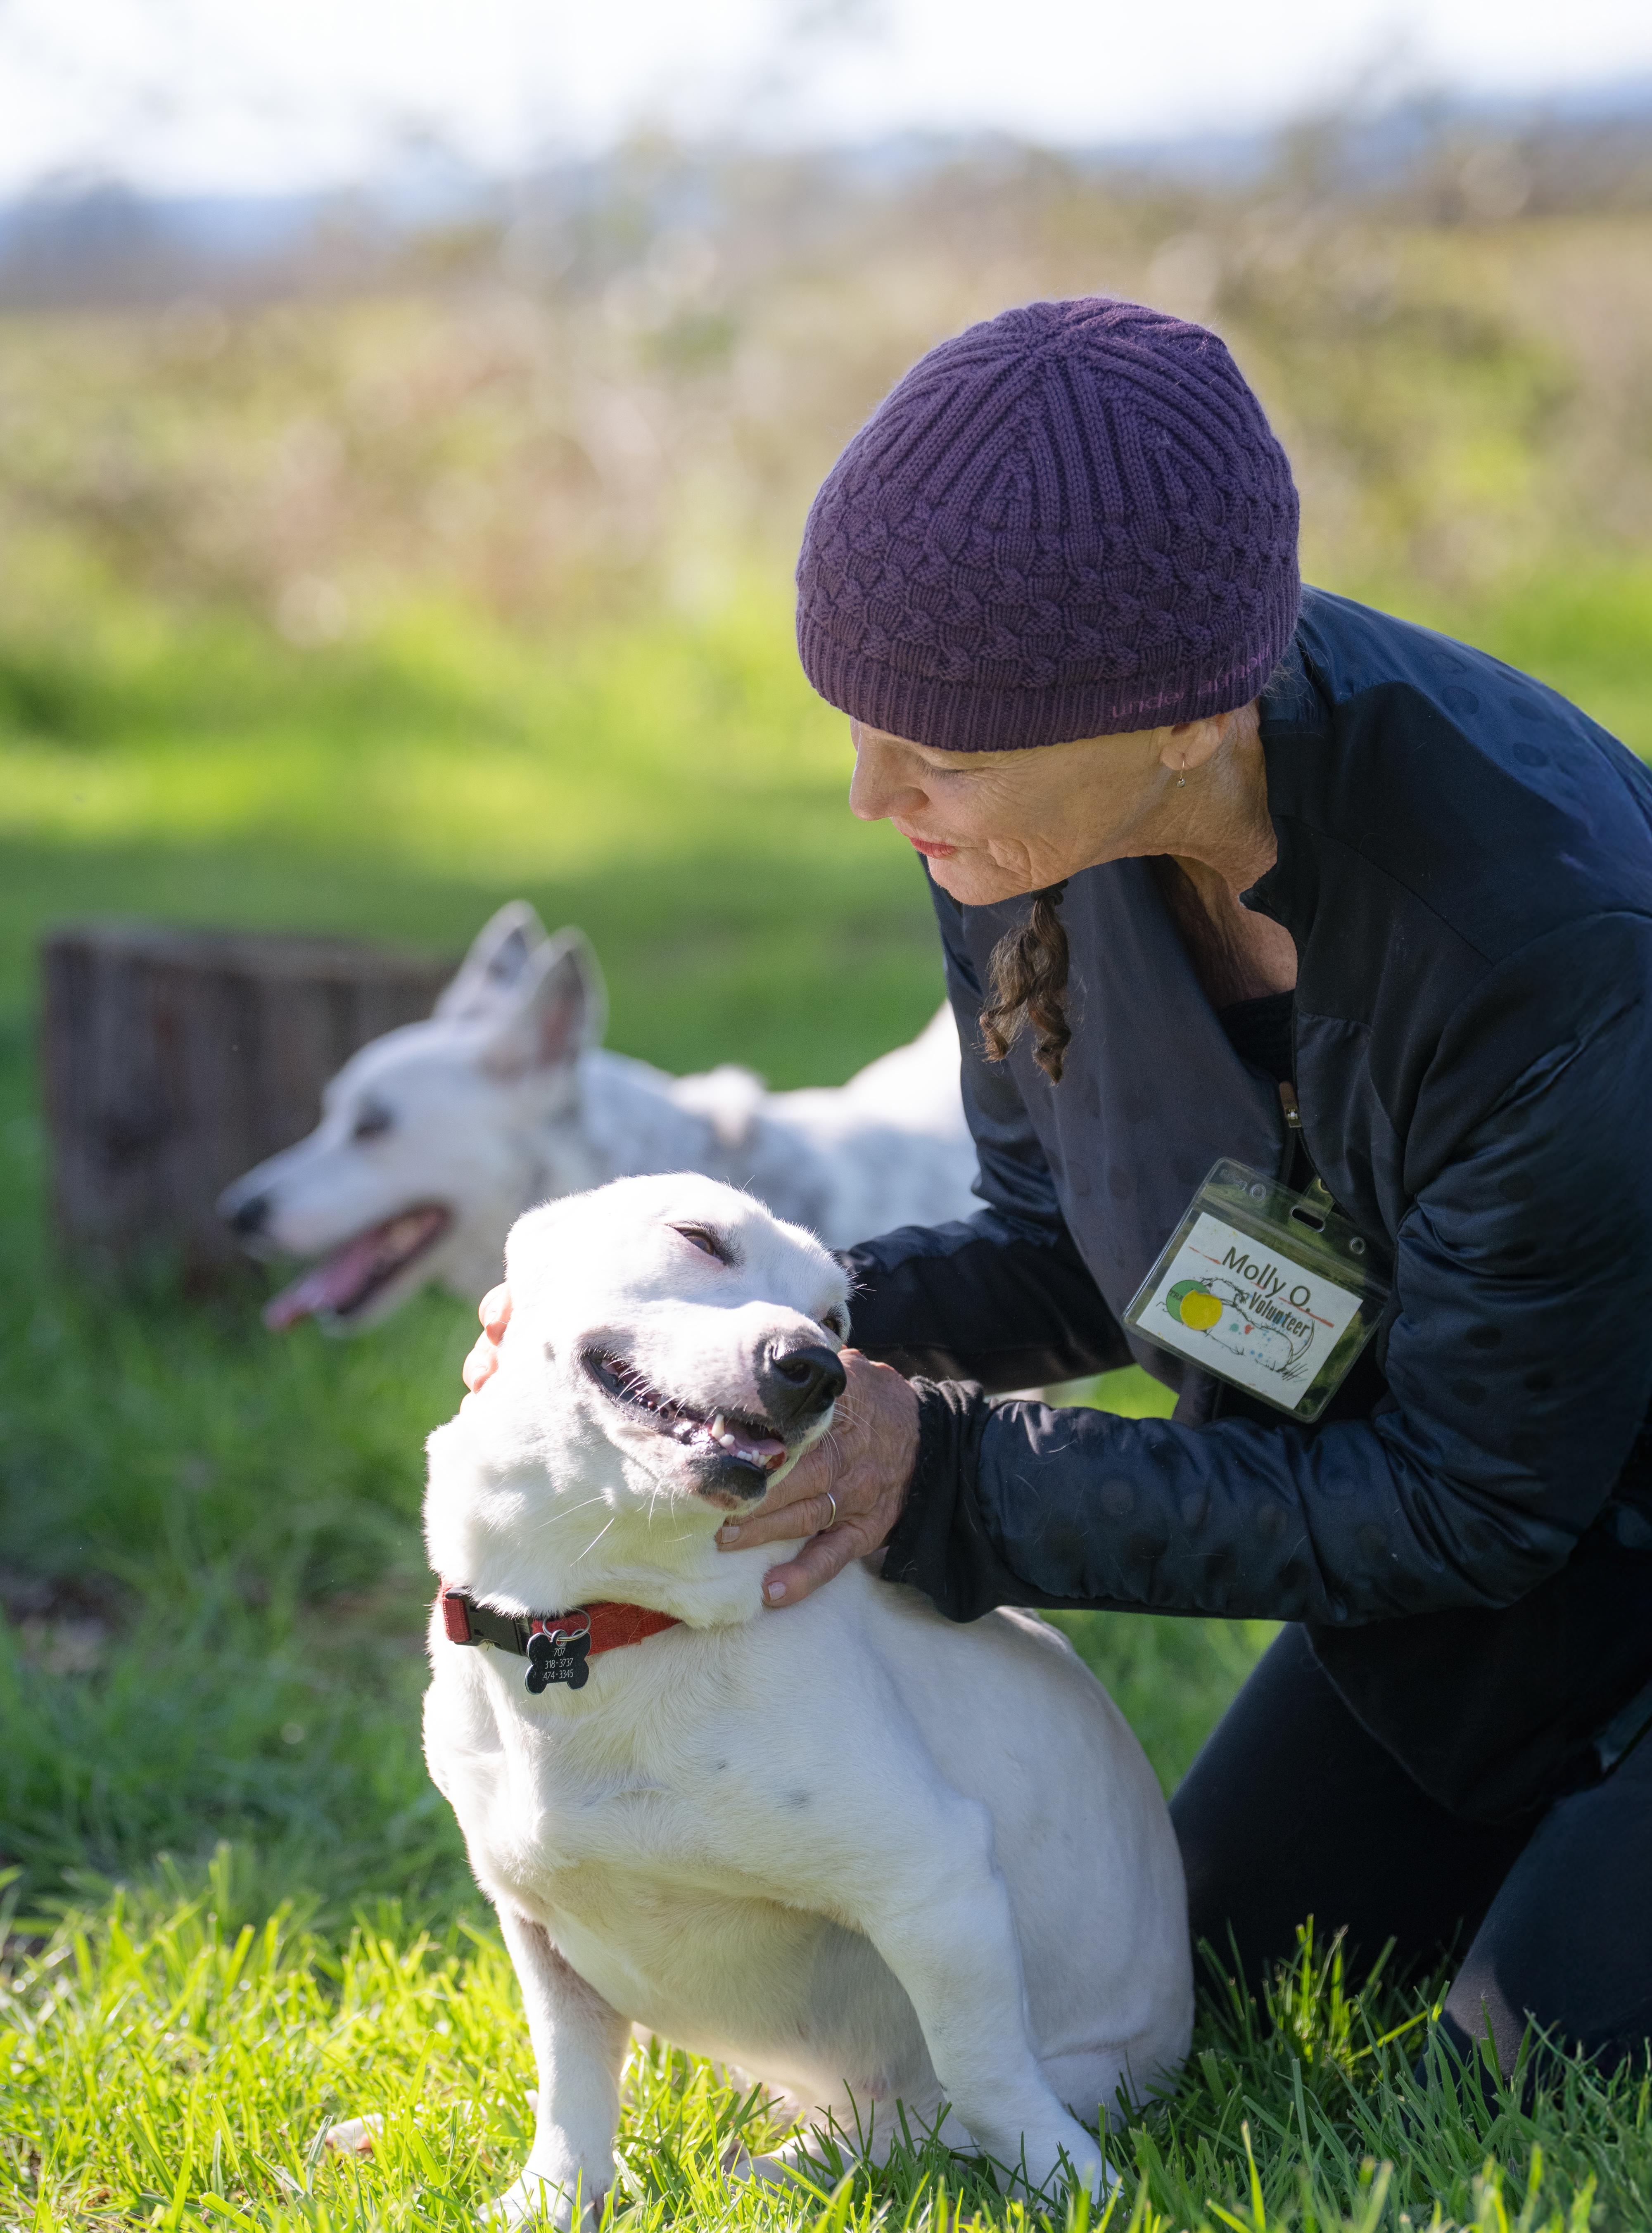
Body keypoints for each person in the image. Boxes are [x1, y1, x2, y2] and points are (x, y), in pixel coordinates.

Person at [466, 297, 1652, 2083]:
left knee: (1513, 2066)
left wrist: (945, 1478)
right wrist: (725, 1333)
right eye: (862, 725)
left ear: (1184, 715)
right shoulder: (1034, 817)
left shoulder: (1544, 943)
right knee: (1207, 1985)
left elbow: (1470, 1502)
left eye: (933, 752)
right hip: (1467, 1593)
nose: (876, 797)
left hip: (1553, 1533)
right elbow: (1070, 1251)